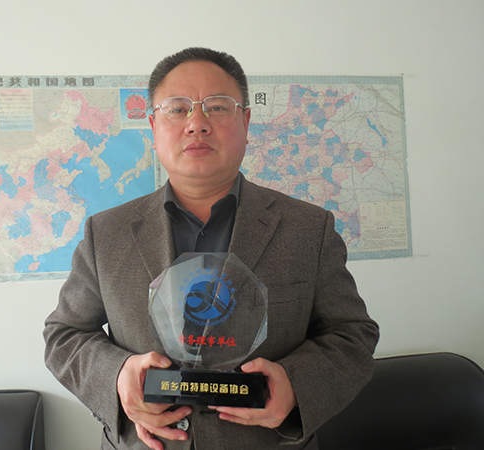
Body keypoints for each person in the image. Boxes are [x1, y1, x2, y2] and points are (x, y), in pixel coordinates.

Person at [44, 47, 379, 450]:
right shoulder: (106, 232)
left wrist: (296, 386)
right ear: (153, 125)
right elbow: (64, 335)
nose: (197, 124)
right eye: (177, 109)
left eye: (217, 107)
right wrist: (117, 376)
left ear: (246, 121)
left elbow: (352, 335)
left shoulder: (308, 229)